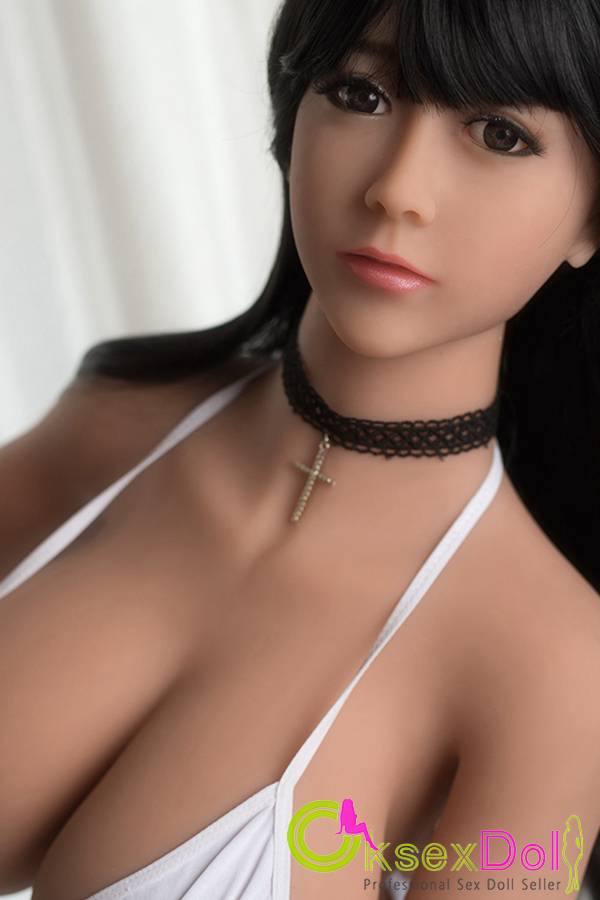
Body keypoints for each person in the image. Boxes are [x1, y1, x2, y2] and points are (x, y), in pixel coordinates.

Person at [0, 1, 599, 899]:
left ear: (594, 217)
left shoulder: (557, 673)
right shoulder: (113, 425)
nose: (398, 188)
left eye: (500, 135)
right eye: (361, 94)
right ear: (291, 117)